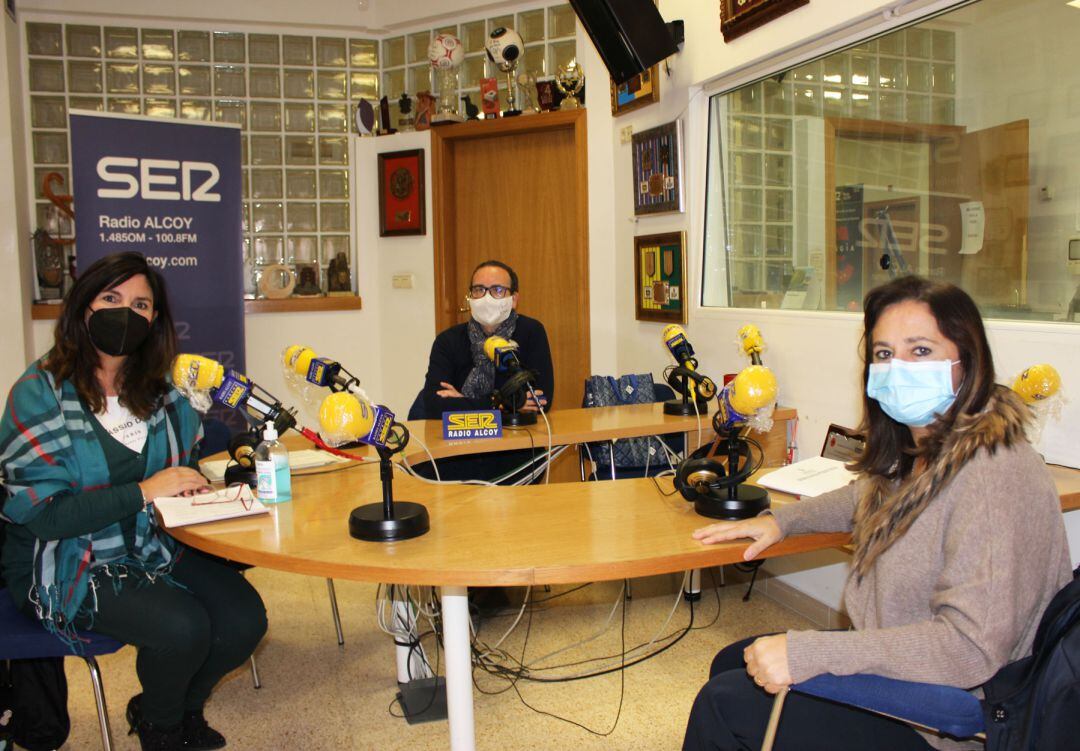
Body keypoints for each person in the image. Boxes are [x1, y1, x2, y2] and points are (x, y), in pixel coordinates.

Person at [683, 276, 1072, 751]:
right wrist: (781, 521)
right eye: (885, 354)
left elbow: (968, 651)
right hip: (913, 669)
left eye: (921, 351)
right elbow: (869, 494)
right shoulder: (930, 445)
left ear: (967, 362)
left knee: (725, 703)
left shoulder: (994, 475)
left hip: (951, 717)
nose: (898, 368)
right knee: (733, 662)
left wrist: (810, 652)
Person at [0, 252, 267, 751]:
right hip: (63, 556)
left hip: (149, 539)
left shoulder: (160, 387)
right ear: (84, 307)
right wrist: (146, 490)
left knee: (243, 619)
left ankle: (172, 707)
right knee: (180, 628)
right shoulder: (38, 393)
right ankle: (161, 733)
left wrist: (200, 487)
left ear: (155, 319)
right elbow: (44, 516)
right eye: (111, 298)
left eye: (141, 304)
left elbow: (182, 468)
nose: (127, 312)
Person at [409, 259, 554, 483]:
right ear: (470, 297)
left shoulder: (531, 332)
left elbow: (540, 400)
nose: (486, 297)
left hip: (515, 453)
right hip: (454, 455)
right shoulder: (447, 341)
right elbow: (434, 403)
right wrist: (501, 403)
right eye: (479, 290)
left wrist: (464, 402)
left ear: (514, 299)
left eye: (497, 290)